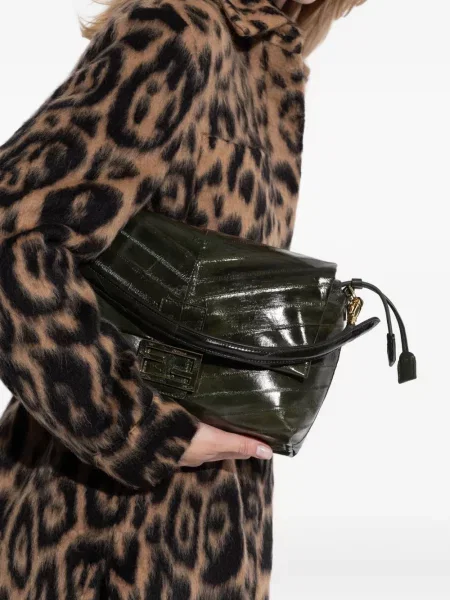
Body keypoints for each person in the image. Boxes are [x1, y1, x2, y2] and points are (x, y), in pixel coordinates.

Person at [0, 0, 366, 597]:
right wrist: (137, 428)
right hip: (100, 537)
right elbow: (13, 234)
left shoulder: (259, 60)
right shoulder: (176, 30)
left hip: (206, 534)